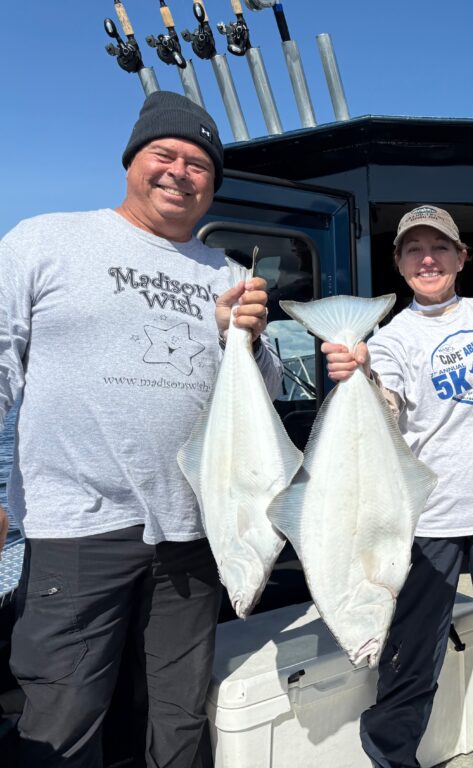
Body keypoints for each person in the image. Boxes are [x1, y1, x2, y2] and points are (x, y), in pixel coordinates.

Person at [0, 91, 280, 767]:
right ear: (132, 161)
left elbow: (264, 399)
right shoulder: (44, 240)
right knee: (62, 718)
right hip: (77, 527)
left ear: (212, 184)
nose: (180, 172)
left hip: (192, 532)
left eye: (198, 164)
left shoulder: (231, 275)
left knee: (178, 720)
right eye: (166, 154)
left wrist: (248, 341)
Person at [325, 205, 473, 768]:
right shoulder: (391, 337)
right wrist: (363, 375)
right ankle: (391, 756)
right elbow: (388, 408)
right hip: (427, 519)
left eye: (440, 247)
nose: (428, 258)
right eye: (414, 250)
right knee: (410, 655)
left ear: (461, 257)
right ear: (398, 265)